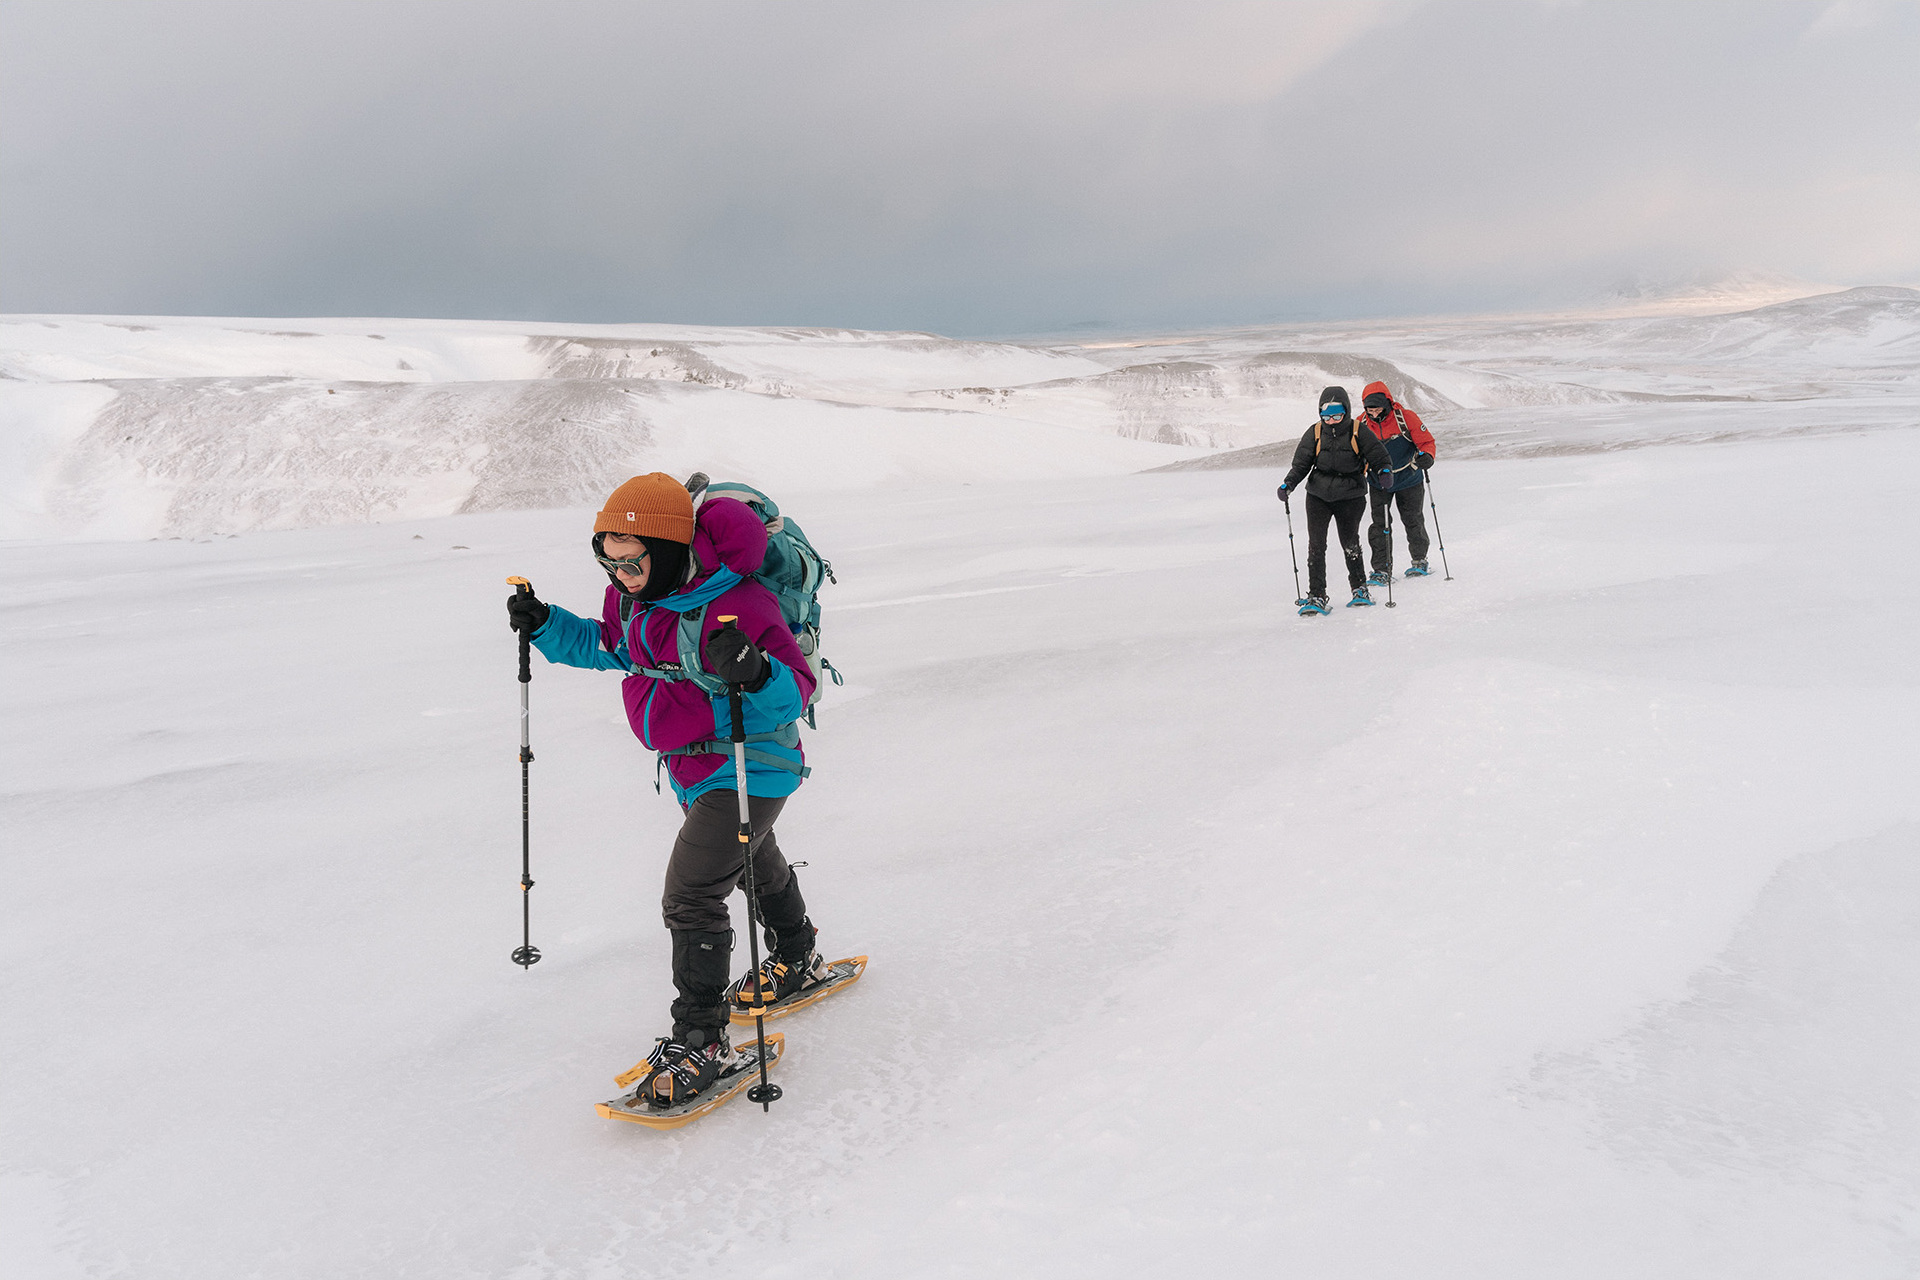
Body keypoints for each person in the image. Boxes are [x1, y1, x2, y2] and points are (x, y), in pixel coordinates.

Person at [505, 473, 827, 1107]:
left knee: (691, 893)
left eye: (632, 560)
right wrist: (544, 624)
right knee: (749, 862)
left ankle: (702, 1038)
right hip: (694, 768)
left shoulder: (740, 605)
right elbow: (608, 648)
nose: (619, 574)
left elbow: (797, 689)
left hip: (751, 765)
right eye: (607, 559)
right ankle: (798, 951)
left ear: (673, 548)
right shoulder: (635, 606)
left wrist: (757, 671)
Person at [1277, 387, 1393, 613]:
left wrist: (1385, 471)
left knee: (1350, 543)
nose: (1331, 421)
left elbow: (1379, 456)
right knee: (1316, 545)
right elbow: (1301, 464)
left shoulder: (1358, 431)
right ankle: (1316, 594)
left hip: (1350, 496)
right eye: (1326, 416)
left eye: (1337, 415)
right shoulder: (1315, 432)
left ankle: (1359, 588)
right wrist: (1289, 484)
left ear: (1346, 412)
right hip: (1318, 496)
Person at [1358, 380, 1438, 581]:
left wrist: (1427, 456)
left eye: (1377, 409)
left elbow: (1426, 441)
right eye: (1370, 410)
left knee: (1413, 519)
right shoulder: (1361, 424)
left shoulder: (1406, 418)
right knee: (1380, 524)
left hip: (1409, 478)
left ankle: (1420, 560)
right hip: (1379, 481)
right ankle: (1381, 570)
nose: (1374, 414)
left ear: (1387, 404)